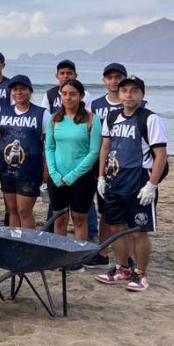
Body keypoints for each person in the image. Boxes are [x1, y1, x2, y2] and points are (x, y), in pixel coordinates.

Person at [95, 75, 168, 292]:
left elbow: (161, 155)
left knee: (138, 230)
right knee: (116, 227)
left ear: (142, 94)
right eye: (125, 90)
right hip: (114, 180)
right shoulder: (111, 117)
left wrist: (152, 185)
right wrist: (101, 176)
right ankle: (122, 268)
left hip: (139, 181)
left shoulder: (150, 119)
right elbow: (105, 147)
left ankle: (141, 273)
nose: (129, 95)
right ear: (119, 93)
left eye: (134, 91)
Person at [44, 79, 102, 263]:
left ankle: (77, 259)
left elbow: (94, 152)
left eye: (73, 94)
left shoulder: (92, 119)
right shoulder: (54, 119)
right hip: (57, 177)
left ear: (81, 96)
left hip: (82, 178)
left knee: (79, 218)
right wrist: (54, 173)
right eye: (64, 94)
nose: (68, 98)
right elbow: (49, 147)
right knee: (59, 219)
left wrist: (73, 175)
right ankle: (60, 257)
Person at [0, 75, 47, 229]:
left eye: (22, 89)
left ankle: (28, 241)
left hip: (30, 170)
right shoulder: (4, 112)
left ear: (30, 91)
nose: (18, 92)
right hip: (6, 169)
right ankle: (15, 239)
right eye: (15, 89)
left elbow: (48, 145)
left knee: (24, 211)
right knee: (12, 210)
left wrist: (46, 171)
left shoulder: (41, 113)